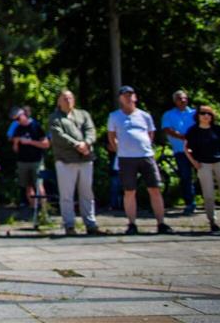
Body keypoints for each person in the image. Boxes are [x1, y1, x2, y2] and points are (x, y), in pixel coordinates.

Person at [107, 86, 173, 235]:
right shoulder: (114, 116)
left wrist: (143, 146)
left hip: (145, 155)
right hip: (126, 158)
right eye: (124, 95)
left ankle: (161, 223)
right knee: (129, 191)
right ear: (120, 99)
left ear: (135, 97)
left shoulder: (144, 116)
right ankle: (132, 224)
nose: (128, 97)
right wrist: (119, 148)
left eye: (130, 95)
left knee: (155, 189)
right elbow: (111, 135)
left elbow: (151, 134)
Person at [48, 89, 100, 235]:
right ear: (59, 101)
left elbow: (91, 130)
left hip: (85, 158)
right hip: (65, 160)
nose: (68, 100)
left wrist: (87, 143)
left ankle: (90, 223)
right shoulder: (55, 118)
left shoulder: (83, 114)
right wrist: (77, 145)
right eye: (64, 98)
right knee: (66, 195)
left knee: (87, 193)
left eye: (70, 97)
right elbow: (59, 135)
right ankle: (69, 225)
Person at [184, 106, 220, 234]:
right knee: (208, 195)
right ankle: (212, 222)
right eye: (203, 113)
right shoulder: (193, 131)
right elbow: (186, 148)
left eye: (209, 113)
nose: (206, 116)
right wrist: (194, 163)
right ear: (198, 115)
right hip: (204, 164)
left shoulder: (218, 129)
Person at [161, 90, 198, 215]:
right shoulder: (169, 114)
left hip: (197, 150)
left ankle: (207, 198)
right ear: (175, 101)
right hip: (180, 150)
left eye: (184, 98)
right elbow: (167, 128)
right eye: (179, 99)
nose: (183, 101)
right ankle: (190, 203)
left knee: (202, 175)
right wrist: (182, 136)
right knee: (185, 177)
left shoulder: (194, 113)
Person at [12, 107, 50, 215]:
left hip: (36, 161)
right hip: (22, 161)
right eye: (16, 120)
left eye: (19, 118)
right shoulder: (18, 129)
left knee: (39, 185)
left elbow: (46, 144)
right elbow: (15, 150)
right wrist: (16, 142)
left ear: (24, 115)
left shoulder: (36, 126)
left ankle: (44, 212)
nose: (18, 121)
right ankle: (34, 211)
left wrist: (30, 142)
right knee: (28, 186)